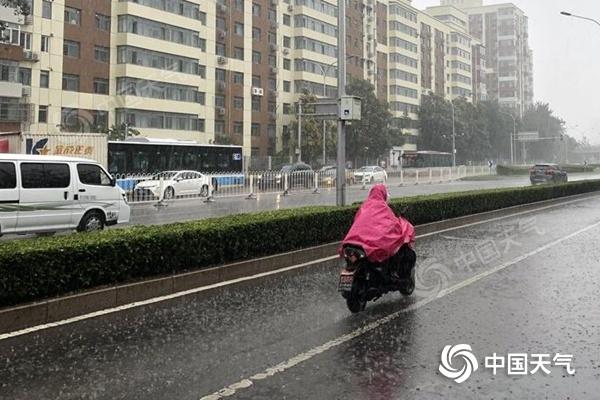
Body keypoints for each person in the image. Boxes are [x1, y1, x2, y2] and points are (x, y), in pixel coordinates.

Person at [340, 184, 416, 280]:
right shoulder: (383, 207)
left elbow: (357, 221)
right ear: (383, 194)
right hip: (368, 246)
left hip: (352, 242)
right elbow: (393, 224)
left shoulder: (364, 206)